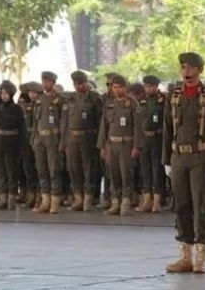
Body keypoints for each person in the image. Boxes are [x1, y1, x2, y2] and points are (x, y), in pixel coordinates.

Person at [162, 53, 205, 274]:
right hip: (178, 156)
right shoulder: (174, 94)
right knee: (181, 205)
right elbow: (167, 128)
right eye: (183, 67)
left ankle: (201, 256)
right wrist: (166, 160)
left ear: (199, 70)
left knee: (201, 205)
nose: (185, 71)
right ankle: (185, 255)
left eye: (190, 67)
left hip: (201, 157)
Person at [98, 74, 142, 216]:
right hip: (112, 144)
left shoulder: (132, 104)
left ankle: (126, 203)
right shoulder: (109, 103)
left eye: (119, 87)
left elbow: (137, 127)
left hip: (126, 144)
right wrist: (102, 146)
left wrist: (136, 146)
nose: (116, 90)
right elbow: (104, 126)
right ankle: (115, 203)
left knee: (126, 175)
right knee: (113, 175)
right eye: (114, 87)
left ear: (125, 87)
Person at [61, 70, 102, 212]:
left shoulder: (94, 98)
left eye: (81, 84)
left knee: (88, 169)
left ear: (86, 83)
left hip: (88, 138)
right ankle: (78, 198)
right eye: (76, 84)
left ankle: (88, 198)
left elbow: (99, 121)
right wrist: (63, 142)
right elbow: (64, 122)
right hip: (72, 138)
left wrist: (99, 142)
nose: (79, 87)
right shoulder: (70, 98)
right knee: (73, 169)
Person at [0, 80, 27, 210]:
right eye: (2, 93)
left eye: (6, 93)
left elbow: (22, 128)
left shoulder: (17, 109)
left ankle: (11, 198)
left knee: (11, 171)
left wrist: (23, 146)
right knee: (0, 171)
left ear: (11, 94)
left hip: (12, 141)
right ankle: (3, 198)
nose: (3, 95)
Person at [31, 71, 64, 214]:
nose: (45, 84)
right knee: (42, 170)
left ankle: (55, 202)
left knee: (54, 171)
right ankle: (45, 201)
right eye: (43, 81)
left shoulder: (60, 100)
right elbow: (35, 122)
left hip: (53, 138)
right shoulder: (39, 100)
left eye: (48, 82)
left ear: (53, 83)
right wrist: (33, 139)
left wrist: (62, 141)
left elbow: (64, 122)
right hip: (40, 138)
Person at [135, 75, 167, 214]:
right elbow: (137, 122)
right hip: (144, 139)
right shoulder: (141, 100)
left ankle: (157, 201)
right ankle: (147, 200)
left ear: (156, 86)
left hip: (157, 138)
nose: (148, 89)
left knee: (157, 170)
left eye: (151, 86)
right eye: (146, 86)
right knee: (145, 170)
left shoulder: (163, 100)